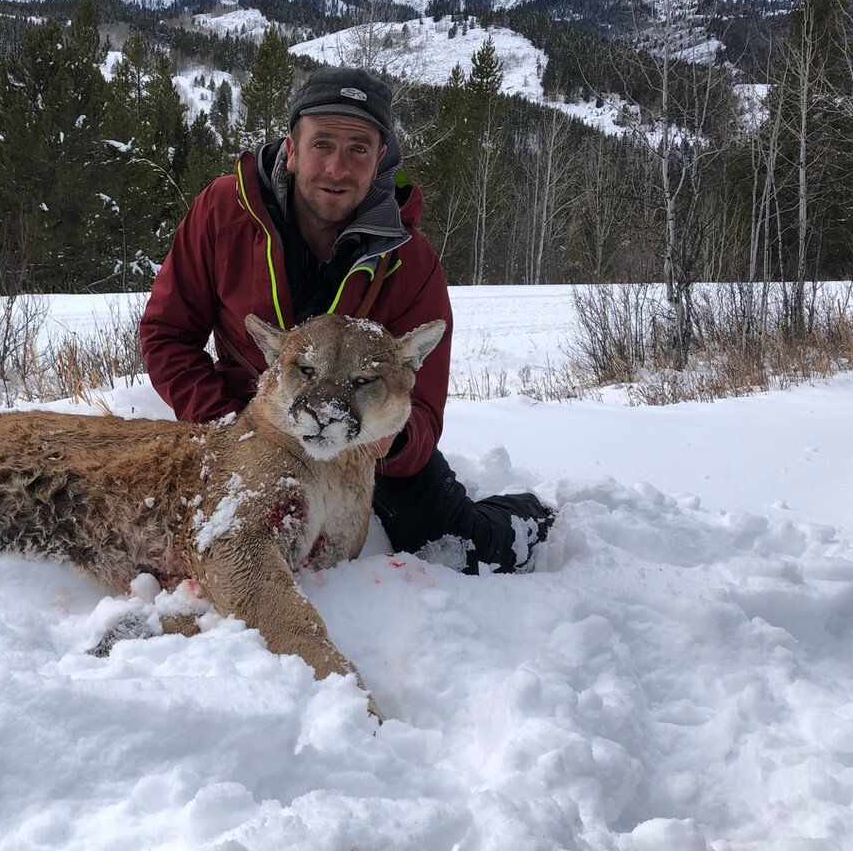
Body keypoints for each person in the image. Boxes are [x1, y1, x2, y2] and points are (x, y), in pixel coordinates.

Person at [140, 66, 553, 573]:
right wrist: (226, 423)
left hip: (359, 439)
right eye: (322, 144)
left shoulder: (411, 261)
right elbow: (167, 334)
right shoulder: (224, 211)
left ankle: (530, 516)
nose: (337, 168)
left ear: (380, 160)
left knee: (460, 547)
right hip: (246, 422)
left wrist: (390, 442)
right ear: (292, 150)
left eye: (358, 148)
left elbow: (424, 409)